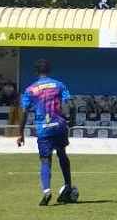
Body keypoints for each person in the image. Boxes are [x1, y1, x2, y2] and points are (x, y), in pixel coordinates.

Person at [16, 58, 77, 206]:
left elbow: (24, 111)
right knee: (62, 154)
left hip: (43, 128)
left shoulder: (30, 90)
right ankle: (67, 186)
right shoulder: (59, 84)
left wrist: (20, 133)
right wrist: (72, 120)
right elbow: (71, 103)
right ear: (49, 70)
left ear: (36, 72)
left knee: (45, 160)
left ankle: (47, 191)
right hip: (59, 125)